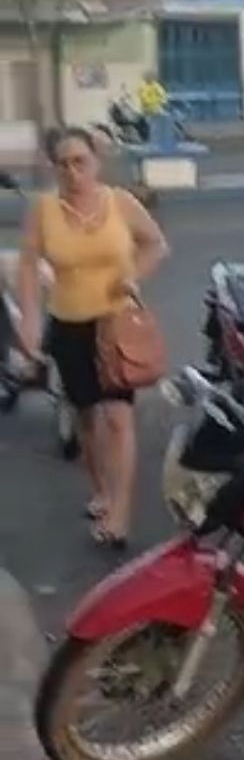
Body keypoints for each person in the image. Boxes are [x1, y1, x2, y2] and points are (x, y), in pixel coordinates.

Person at [16, 126, 169, 547]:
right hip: (68, 325)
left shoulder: (120, 203)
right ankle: (101, 488)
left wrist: (133, 277)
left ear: (95, 162)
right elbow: (28, 266)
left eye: (79, 161)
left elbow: (156, 244)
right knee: (86, 418)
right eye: (62, 163)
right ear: (54, 168)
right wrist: (29, 320)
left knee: (119, 418)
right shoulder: (43, 210)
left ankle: (120, 514)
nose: (72, 171)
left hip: (115, 324)